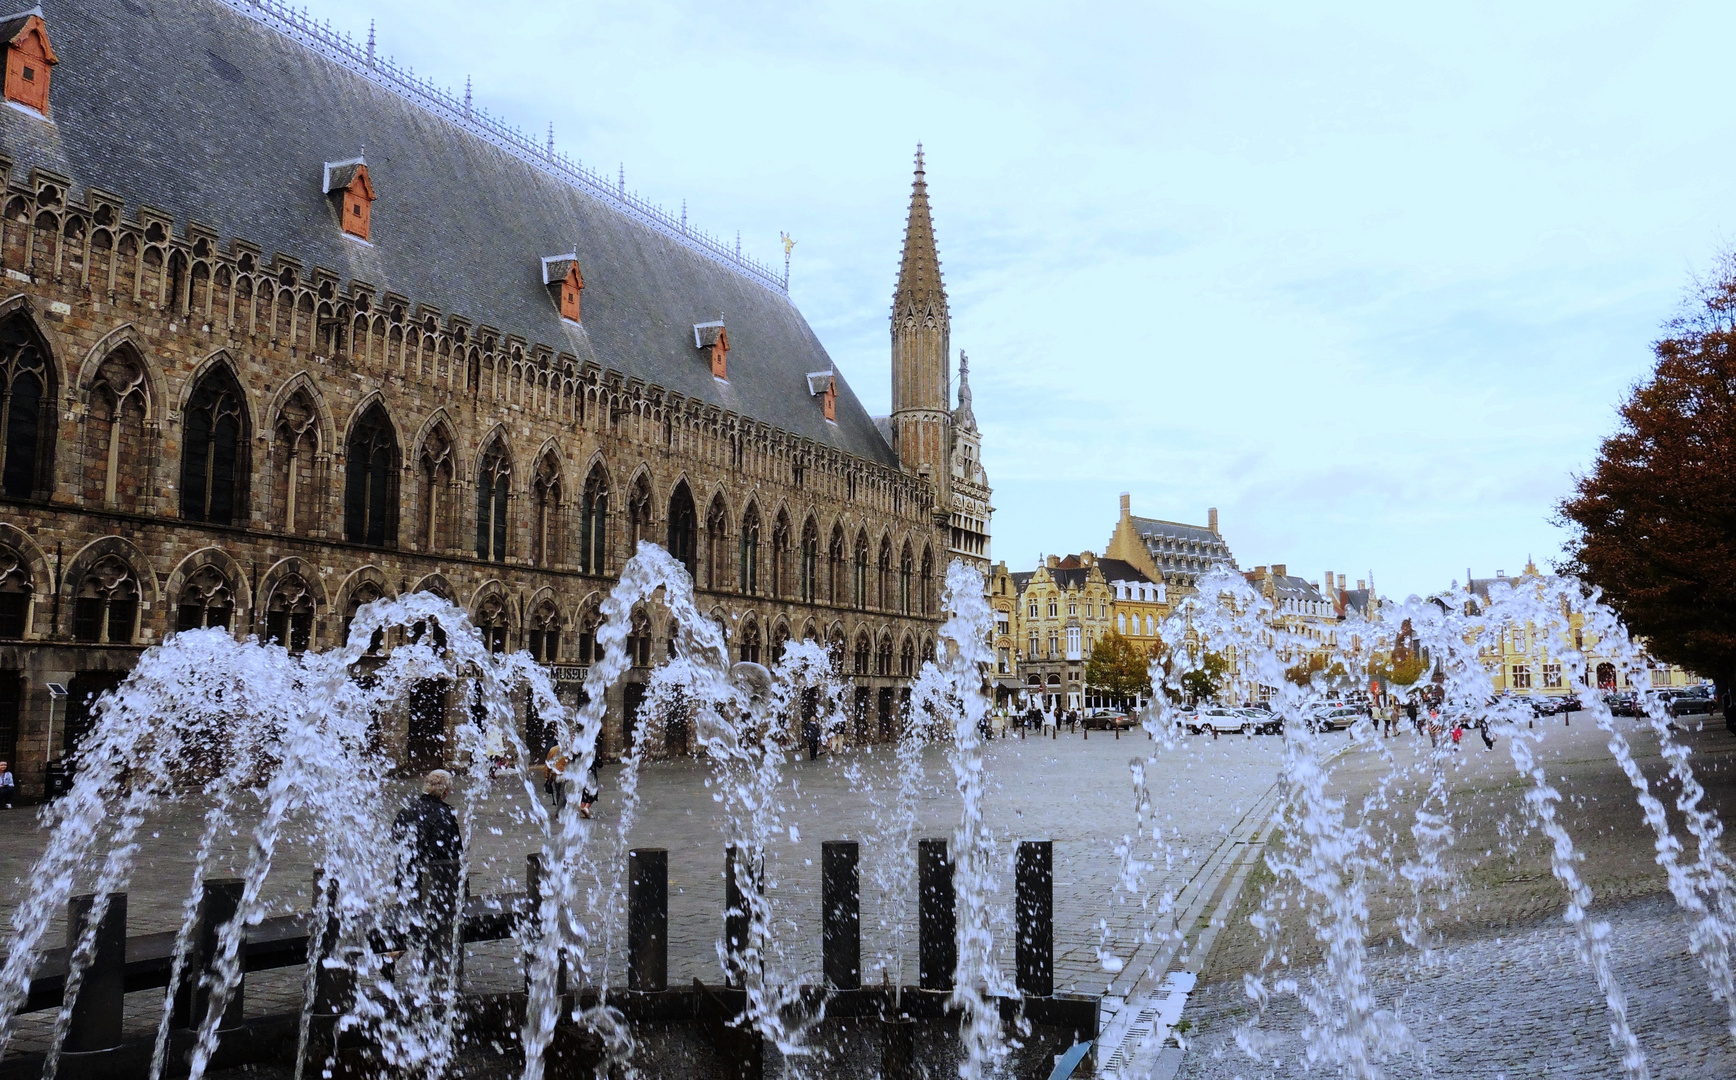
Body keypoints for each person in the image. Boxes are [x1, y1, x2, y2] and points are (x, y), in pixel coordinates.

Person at [392, 769, 463, 877]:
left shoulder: (406, 810)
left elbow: (395, 837)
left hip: (406, 874)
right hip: (432, 878)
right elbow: (445, 850)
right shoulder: (444, 814)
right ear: (446, 791)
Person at [545, 744, 570, 810]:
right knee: (563, 792)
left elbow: (548, 763)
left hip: (555, 774)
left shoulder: (553, 749)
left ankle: (560, 809)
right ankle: (561, 810)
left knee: (558, 791)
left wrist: (547, 776)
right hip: (565, 773)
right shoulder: (569, 750)